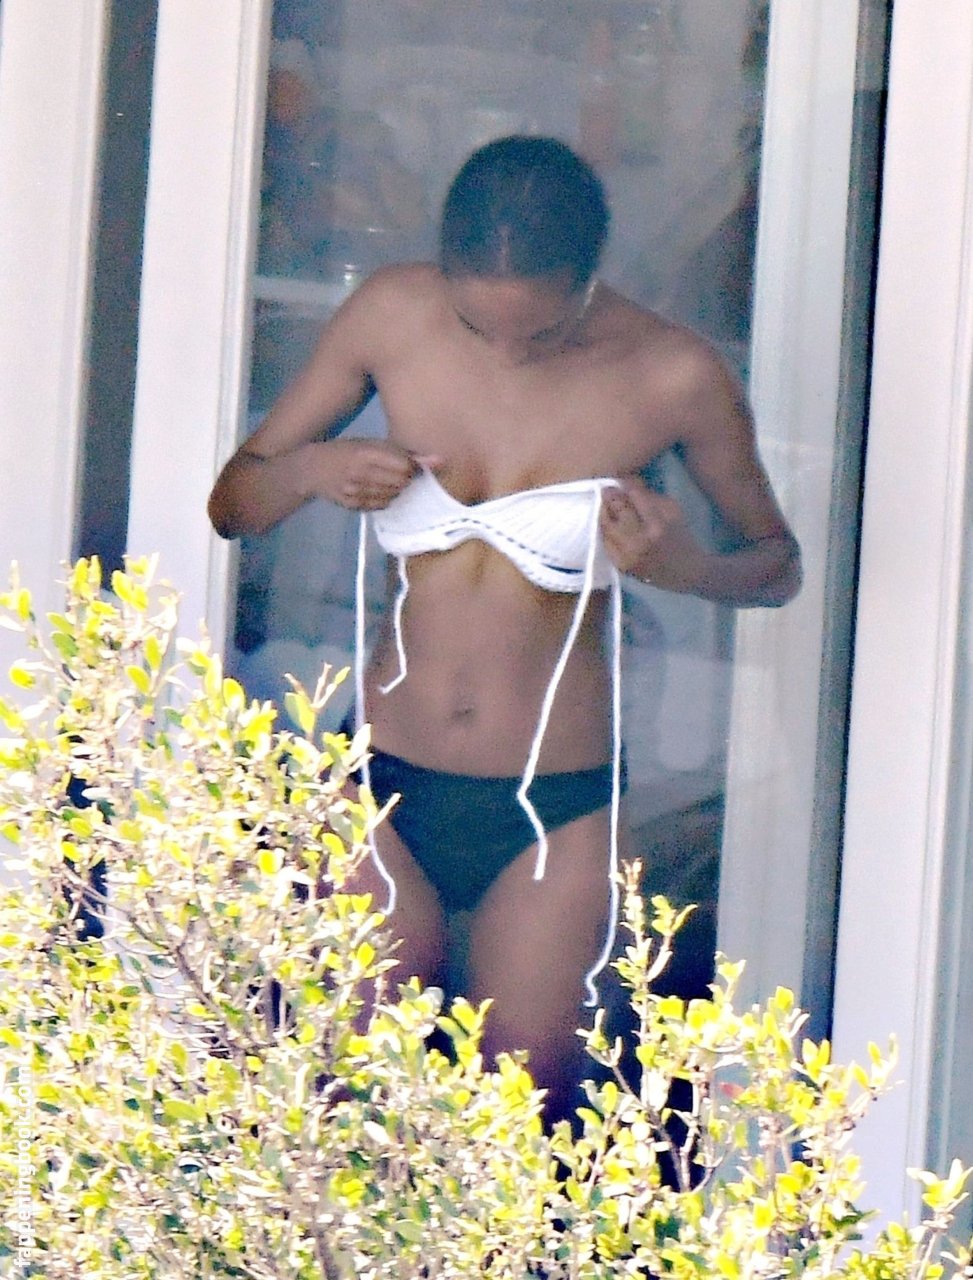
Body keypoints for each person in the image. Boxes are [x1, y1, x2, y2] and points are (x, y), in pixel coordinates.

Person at [208, 135, 801, 1125]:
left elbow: (775, 565)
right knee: (347, 1096)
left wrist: (680, 567)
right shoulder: (391, 316)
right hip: (380, 775)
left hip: (554, 801)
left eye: (542, 329)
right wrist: (314, 469)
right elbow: (235, 503)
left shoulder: (673, 375)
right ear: (442, 272)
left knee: (519, 1113)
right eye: (479, 326)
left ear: (589, 278)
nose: (510, 351)